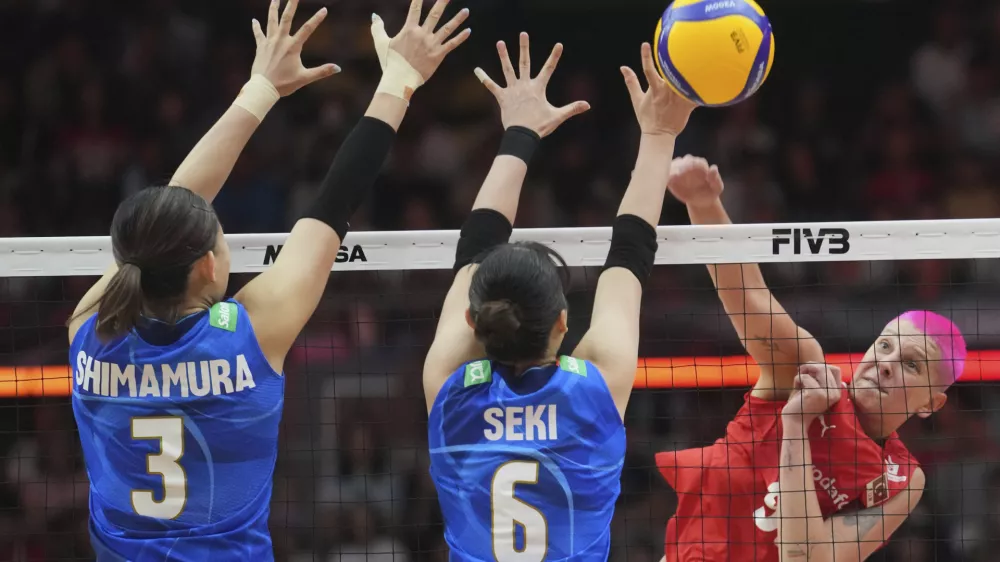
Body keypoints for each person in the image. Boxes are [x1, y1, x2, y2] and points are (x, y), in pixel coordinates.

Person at [66, 0, 471, 559]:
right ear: (209, 264)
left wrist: (260, 89)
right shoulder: (249, 335)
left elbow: (174, 208)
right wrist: (398, 78)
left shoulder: (90, 330)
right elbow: (334, 204)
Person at [422, 36, 695, 560]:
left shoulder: (449, 388)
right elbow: (630, 251)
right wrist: (661, 132)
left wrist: (520, 132)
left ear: (471, 322)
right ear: (563, 323)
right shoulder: (595, 389)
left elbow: (476, 244)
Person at [656, 155, 968, 562]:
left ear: (932, 402)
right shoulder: (805, 370)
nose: (886, 362)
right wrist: (701, 203)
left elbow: (806, 559)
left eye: (912, 364)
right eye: (885, 345)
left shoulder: (903, 479)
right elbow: (751, 299)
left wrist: (796, 426)